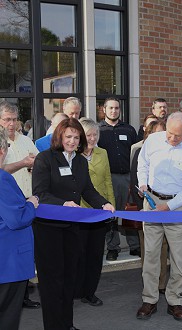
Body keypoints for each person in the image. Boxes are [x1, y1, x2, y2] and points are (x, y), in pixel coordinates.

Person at [32, 118, 115, 330]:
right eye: (68, 136)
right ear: (59, 137)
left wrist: (104, 204)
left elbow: (87, 190)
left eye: (76, 137)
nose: (72, 141)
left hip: (71, 228)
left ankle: (67, 325)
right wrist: (63, 204)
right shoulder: (45, 159)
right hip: (48, 230)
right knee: (52, 283)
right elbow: (40, 194)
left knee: (69, 279)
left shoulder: (79, 161)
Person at [136, 112, 182, 321]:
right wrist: (143, 182)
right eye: (170, 134)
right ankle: (149, 299)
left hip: (180, 205)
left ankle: (175, 301)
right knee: (151, 254)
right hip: (152, 202)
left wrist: (170, 205)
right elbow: (142, 163)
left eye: (178, 136)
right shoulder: (154, 139)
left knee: (179, 256)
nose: (172, 139)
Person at [0, 101, 40, 309]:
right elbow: (1, 171)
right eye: (7, 119)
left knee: (25, 250)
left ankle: (22, 294)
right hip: (8, 206)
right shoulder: (0, 143)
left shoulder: (26, 140)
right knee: (10, 253)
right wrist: (23, 164)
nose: (11, 124)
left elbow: (38, 161)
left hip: (28, 200)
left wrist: (35, 167)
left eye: (15, 119)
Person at [75, 117, 116, 307]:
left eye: (95, 134)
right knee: (78, 253)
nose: (92, 138)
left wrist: (111, 206)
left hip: (100, 211)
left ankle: (90, 292)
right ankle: (76, 289)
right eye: (88, 135)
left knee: (95, 254)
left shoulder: (103, 153)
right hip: (78, 212)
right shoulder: (73, 156)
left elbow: (108, 181)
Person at [98, 97, 140, 261]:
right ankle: (112, 247)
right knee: (111, 213)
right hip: (109, 179)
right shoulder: (99, 130)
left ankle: (134, 246)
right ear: (104, 110)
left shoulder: (129, 129)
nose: (114, 111)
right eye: (111, 108)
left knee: (130, 212)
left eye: (116, 108)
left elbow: (136, 153)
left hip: (128, 177)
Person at [130, 120, 168, 295]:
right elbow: (134, 181)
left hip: (167, 208)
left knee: (164, 248)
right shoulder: (140, 152)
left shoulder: (170, 153)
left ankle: (162, 283)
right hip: (146, 208)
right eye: (156, 134)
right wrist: (140, 208)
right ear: (148, 135)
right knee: (149, 250)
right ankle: (149, 284)